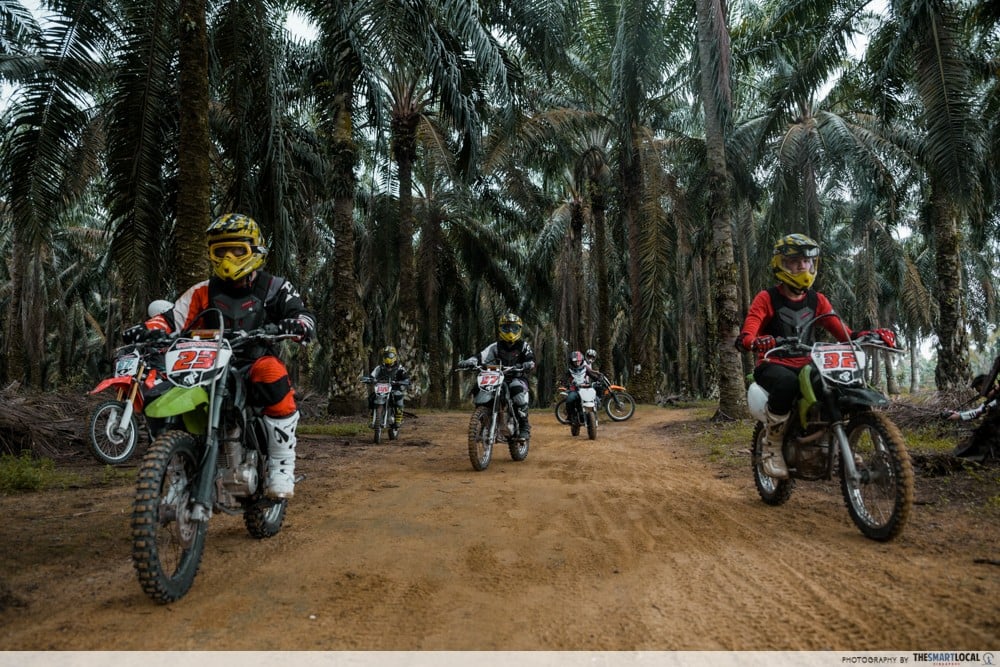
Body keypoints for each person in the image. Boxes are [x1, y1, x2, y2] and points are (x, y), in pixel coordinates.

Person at [122, 212, 316, 499]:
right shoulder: (201, 291)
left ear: (255, 250)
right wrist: (148, 329)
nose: (229, 258)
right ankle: (175, 468)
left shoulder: (275, 287)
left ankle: (281, 463)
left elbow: (302, 315)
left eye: (237, 250)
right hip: (202, 364)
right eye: (221, 250)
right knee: (157, 384)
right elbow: (171, 319)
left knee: (272, 371)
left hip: (251, 360)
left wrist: (296, 325)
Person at [736, 233, 895, 479]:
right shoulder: (767, 298)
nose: (802, 266)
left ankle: (842, 445)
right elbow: (748, 332)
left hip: (809, 363)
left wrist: (869, 335)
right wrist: (755, 341)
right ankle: (772, 444)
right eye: (795, 261)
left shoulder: (817, 300)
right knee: (787, 384)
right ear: (781, 264)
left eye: (807, 261)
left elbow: (844, 332)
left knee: (839, 385)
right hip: (773, 362)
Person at [457, 312, 536, 440]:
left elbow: (530, 359)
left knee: (516, 389)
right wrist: (470, 361)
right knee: (479, 387)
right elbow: (481, 356)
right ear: (501, 329)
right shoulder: (495, 346)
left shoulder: (523, 346)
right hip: (496, 376)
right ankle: (484, 420)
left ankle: (524, 427)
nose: (510, 331)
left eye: (514, 328)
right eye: (506, 328)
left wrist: (527, 364)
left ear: (519, 329)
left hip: (516, 377)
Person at [944, 367, 1000, 460]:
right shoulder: (990, 401)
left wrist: (959, 416)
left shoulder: (996, 399)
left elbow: (979, 412)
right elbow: (978, 411)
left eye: (979, 390)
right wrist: (959, 414)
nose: (981, 393)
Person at [366, 346, 411, 427]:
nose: (387, 357)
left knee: (398, 396)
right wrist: (370, 379)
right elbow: (372, 376)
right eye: (386, 355)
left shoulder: (399, 368)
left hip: (394, 388)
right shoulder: (380, 367)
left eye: (390, 355)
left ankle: (398, 419)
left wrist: (403, 381)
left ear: (394, 356)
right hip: (381, 388)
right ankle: (372, 417)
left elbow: (406, 377)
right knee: (372, 398)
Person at [562, 350, 603, 425]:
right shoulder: (569, 370)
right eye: (575, 361)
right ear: (572, 361)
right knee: (569, 400)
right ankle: (570, 417)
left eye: (579, 361)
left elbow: (592, 375)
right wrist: (566, 384)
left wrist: (598, 379)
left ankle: (593, 413)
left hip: (586, 389)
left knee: (596, 399)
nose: (577, 362)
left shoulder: (585, 368)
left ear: (582, 360)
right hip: (575, 390)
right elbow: (564, 380)